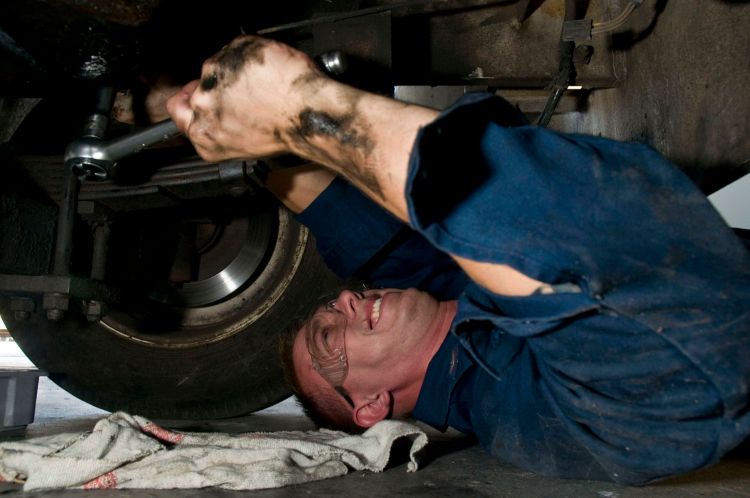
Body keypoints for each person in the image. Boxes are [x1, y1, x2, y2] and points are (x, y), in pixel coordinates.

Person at [166, 35, 750, 485]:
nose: (344, 300)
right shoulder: (512, 412)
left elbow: (341, 213)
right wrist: (307, 113)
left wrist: (200, 118)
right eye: (328, 337)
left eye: (330, 306)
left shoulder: (439, 298)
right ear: (371, 405)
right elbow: (674, 335)